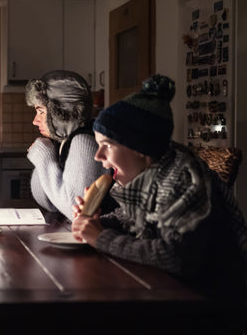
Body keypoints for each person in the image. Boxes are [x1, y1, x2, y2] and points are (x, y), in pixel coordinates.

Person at [71, 74, 247, 332]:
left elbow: (175, 255)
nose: (98, 156)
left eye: (107, 145)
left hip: (207, 309)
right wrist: (97, 223)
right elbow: (136, 218)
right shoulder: (153, 174)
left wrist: (102, 239)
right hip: (169, 294)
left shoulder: (180, 182)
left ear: (140, 148)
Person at [25, 70, 115, 221]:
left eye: (41, 112)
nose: (35, 121)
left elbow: (75, 212)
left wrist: (43, 158)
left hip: (95, 239)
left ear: (61, 111)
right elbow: (48, 202)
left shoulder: (83, 141)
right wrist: (47, 156)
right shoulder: (63, 141)